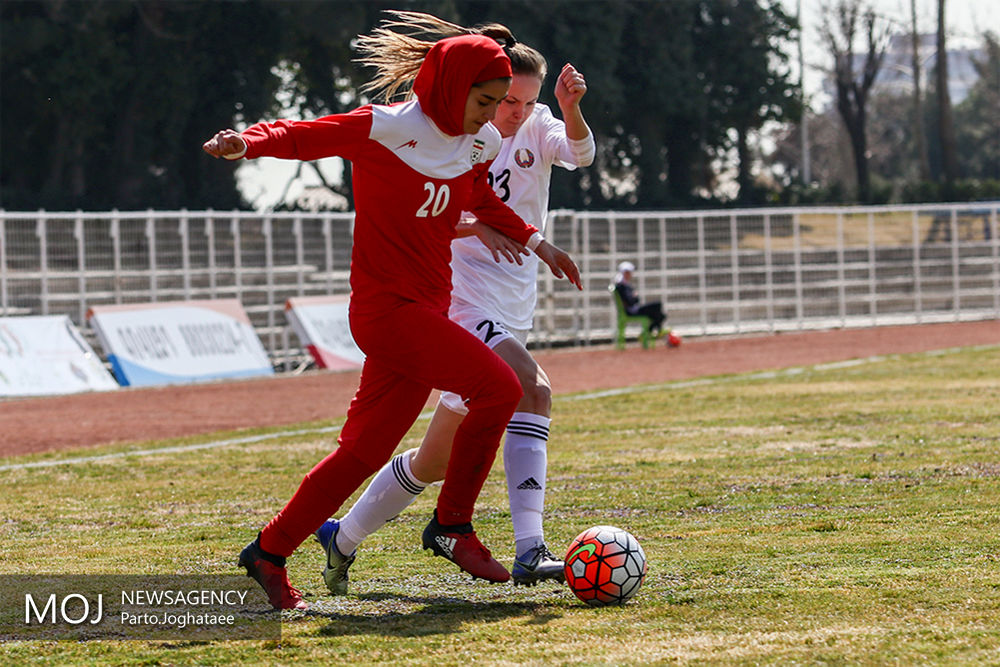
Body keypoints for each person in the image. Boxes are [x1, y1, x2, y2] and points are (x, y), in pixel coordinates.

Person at [202, 15, 582, 610]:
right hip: (387, 312)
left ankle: (268, 553)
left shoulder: (478, 142)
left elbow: (479, 196)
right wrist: (246, 142)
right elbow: (302, 133)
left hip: (425, 311)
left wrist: (539, 244)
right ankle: (452, 525)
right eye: (483, 101)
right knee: (499, 389)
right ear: (452, 90)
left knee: (362, 452)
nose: (489, 116)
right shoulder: (385, 126)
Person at [314, 19, 595, 595]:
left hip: (513, 298)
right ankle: (529, 549)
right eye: (504, 99)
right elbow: (429, 218)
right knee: (531, 388)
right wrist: (476, 227)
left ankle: (341, 537)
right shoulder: (448, 133)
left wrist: (569, 108)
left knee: (435, 459)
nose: (513, 111)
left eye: (525, 101)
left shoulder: (534, 125)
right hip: (460, 296)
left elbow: (582, 154)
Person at [613, 261, 670, 339]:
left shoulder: (623, 285)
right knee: (658, 307)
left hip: (633, 309)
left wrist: (634, 297)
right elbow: (631, 301)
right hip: (632, 311)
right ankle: (650, 332)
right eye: (628, 272)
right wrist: (634, 297)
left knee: (659, 314)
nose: (630, 274)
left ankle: (649, 332)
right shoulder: (621, 286)